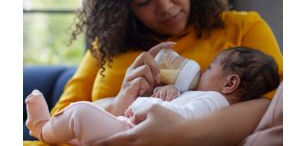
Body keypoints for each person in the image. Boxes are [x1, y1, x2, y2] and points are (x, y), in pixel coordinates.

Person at [23, 0, 283, 145]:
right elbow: (60, 116)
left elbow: (277, 105)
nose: (165, 5)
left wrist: (180, 133)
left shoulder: (243, 27)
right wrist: (119, 102)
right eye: (144, 1)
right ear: (127, 6)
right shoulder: (106, 47)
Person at [25, 46, 279, 146]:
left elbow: (174, 121)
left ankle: (43, 128)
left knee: (79, 113)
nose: (202, 70)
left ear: (230, 83)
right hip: (125, 126)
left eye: (211, 67)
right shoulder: (203, 98)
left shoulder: (215, 101)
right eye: (143, 1)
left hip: (134, 133)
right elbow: (180, 111)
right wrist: (169, 94)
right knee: (82, 125)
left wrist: (151, 101)